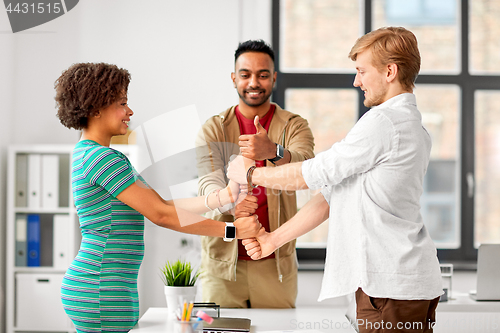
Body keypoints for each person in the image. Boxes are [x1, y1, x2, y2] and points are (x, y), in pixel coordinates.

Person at [229, 27, 443, 332]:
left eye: (361, 71)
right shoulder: (411, 126)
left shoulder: (384, 122)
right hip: (397, 285)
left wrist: (251, 173)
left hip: (390, 289)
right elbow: (330, 196)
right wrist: (271, 241)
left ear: (390, 71)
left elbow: (315, 173)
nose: (356, 81)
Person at [54, 62, 261, 333]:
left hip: (104, 284)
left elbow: (161, 205)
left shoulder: (94, 154)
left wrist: (221, 197)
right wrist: (232, 230)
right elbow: (161, 216)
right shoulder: (101, 158)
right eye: (122, 103)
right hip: (101, 285)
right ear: (95, 107)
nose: (130, 111)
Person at [196, 40, 314, 308]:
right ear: (234, 78)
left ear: (273, 78)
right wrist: (230, 199)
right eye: (246, 74)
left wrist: (273, 150)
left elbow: (307, 166)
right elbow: (207, 183)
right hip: (222, 265)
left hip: (276, 264)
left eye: (262, 75)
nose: (254, 82)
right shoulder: (214, 128)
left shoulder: (294, 125)